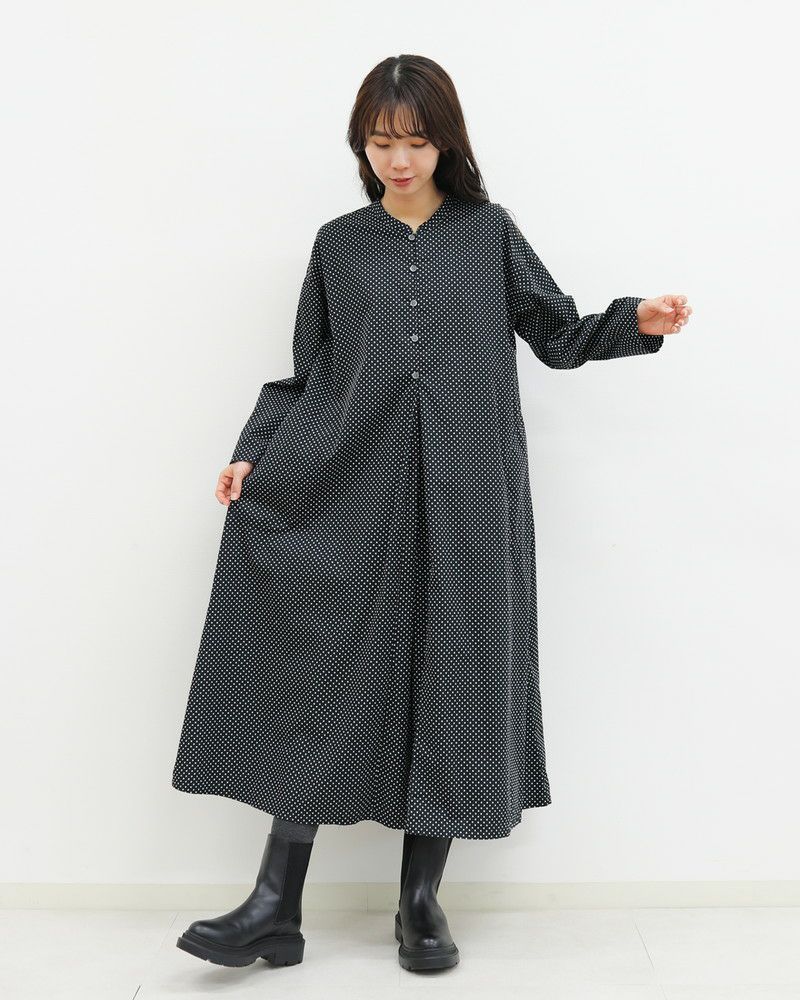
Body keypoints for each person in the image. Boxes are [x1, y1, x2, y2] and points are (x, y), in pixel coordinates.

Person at [172, 54, 691, 974]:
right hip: (353, 487)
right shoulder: (339, 245)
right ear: (361, 146)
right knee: (323, 673)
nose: (400, 160)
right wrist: (254, 449)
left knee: (456, 679)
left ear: (446, 142)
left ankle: (419, 904)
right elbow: (309, 372)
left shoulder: (488, 233)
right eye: (382, 143)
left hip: (469, 498)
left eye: (415, 141)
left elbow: (558, 333)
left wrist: (634, 322)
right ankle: (274, 906)